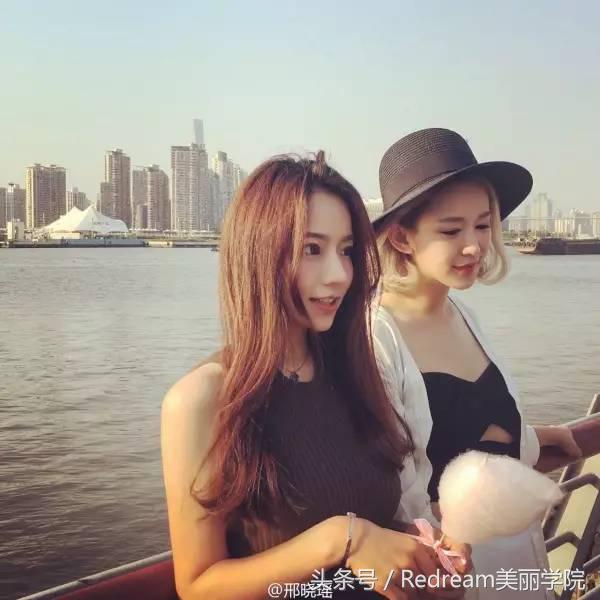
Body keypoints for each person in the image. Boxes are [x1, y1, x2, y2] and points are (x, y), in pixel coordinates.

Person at [161, 151, 468, 600]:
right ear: (258, 255)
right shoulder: (202, 398)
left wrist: (420, 552)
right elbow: (197, 586)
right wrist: (341, 538)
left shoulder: (354, 371)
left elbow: (372, 520)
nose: (339, 274)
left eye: (346, 250)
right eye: (312, 249)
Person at [371, 128, 582, 599]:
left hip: (518, 563)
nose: (474, 246)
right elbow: (388, 486)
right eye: (451, 230)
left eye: (483, 225)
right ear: (402, 237)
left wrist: (534, 437)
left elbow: (474, 428)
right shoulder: (376, 339)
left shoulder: (464, 315)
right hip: (446, 579)